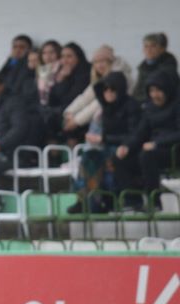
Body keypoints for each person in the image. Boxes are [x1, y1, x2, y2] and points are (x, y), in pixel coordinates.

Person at [68, 71, 141, 213]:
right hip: (108, 145)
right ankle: (86, 200)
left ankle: (105, 200)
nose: (108, 93)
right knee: (89, 158)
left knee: (108, 160)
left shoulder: (131, 106)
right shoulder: (105, 108)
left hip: (127, 147)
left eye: (112, 89)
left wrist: (103, 139)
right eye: (105, 89)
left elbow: (134, 134)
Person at [116, 70, 180, 200]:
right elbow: (140, 132)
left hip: (173, 150)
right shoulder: (149, 108)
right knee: (122, 159)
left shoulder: (177, 105)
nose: (154, 95)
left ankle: (154, 200)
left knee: (147, 156)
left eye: (158, 91)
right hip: (153, 149)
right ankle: (132, 201)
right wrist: (126, 146)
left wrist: (157, 143)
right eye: (151, 91)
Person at [63, 45, 133, 142]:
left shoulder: (118, 77)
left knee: (96, 117)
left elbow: (99, 103)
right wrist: (69, 112)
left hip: (119, 116)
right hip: (108, 115)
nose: (99, 65)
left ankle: (92, 150)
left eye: (103, 61)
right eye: (96, 62)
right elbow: (85, 97)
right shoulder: (101, 77)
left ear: (110, 62)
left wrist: (76, 121)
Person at [133, 33, 179, 104]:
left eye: (153, 46)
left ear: (161, 49)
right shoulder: (142, 67)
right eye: (146, 46)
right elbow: (137, 91)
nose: (149, 50)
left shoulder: (168, 68)